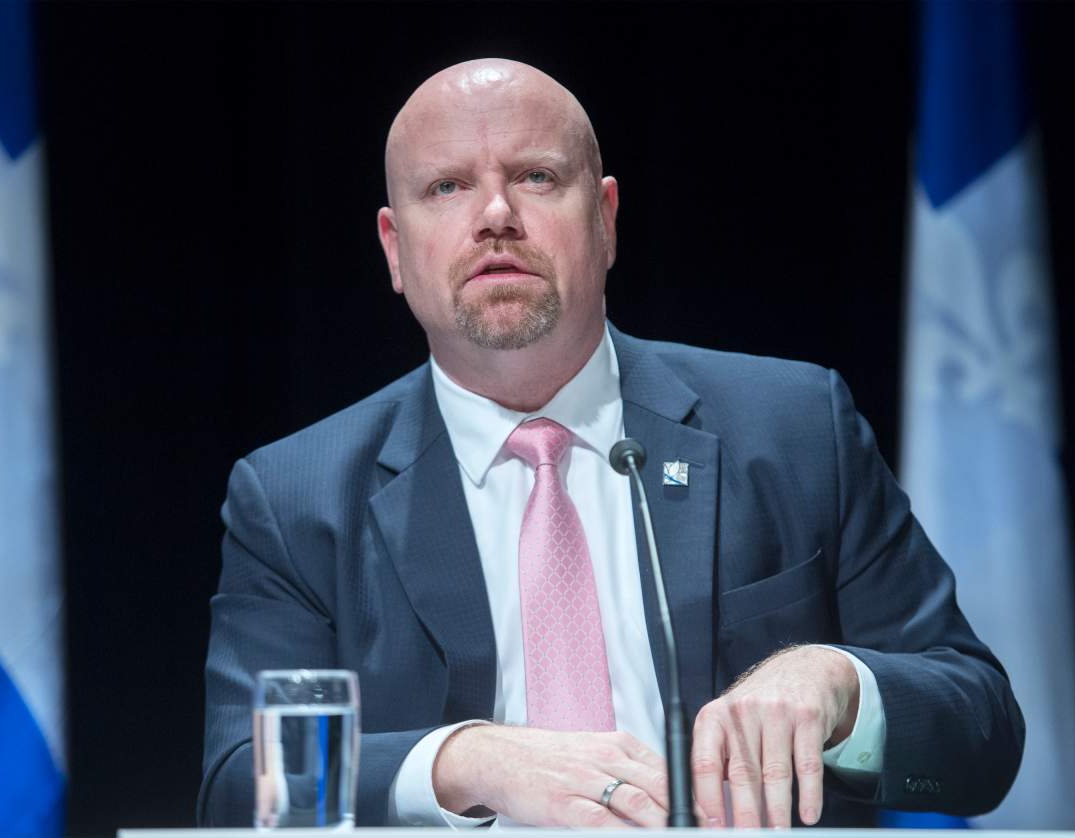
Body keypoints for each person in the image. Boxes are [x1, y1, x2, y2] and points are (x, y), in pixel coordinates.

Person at [199, 58, 1023, 829]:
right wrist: (464, 760)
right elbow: (242, 782)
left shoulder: (796, 427)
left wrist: (840, 683)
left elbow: (982, 730)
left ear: (606, 220)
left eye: (536, 177)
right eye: (447, 187)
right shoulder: (297, 497)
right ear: (394, 249)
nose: (496, 216)